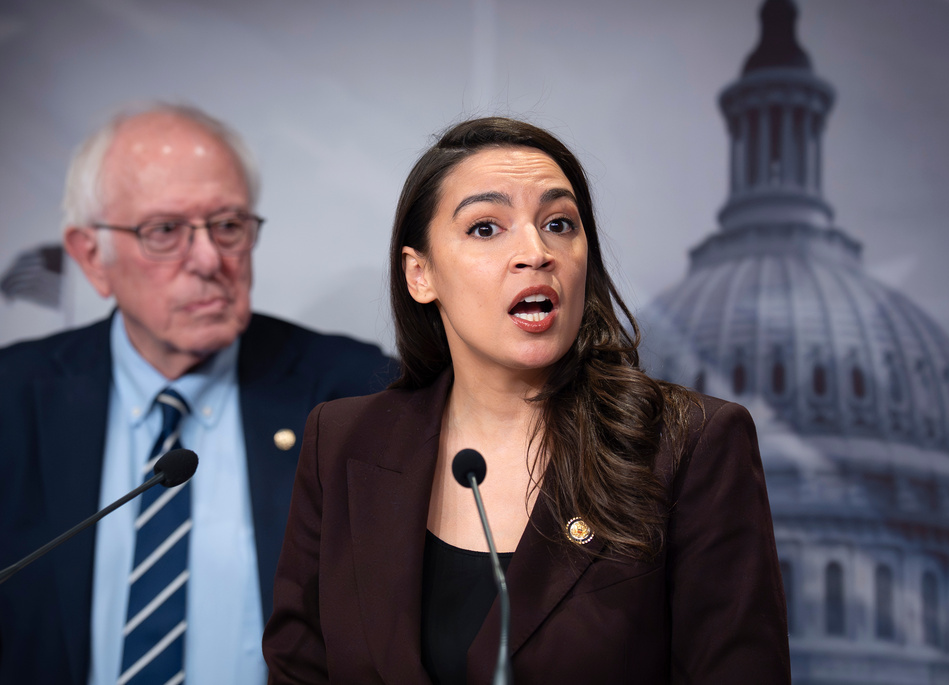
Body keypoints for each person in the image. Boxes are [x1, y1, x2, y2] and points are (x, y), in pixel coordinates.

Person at [262, 117, 790, 683]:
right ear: (421, 274)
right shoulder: (343, 442)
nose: (536, 253)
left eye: (559, 224)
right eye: (487, 229)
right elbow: (300, 667)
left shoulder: (689, 444)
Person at [0, 103, 397, 685]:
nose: (208, 260)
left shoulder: (356, 394)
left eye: (228, 226)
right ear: (92, 256)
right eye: (165, 232)